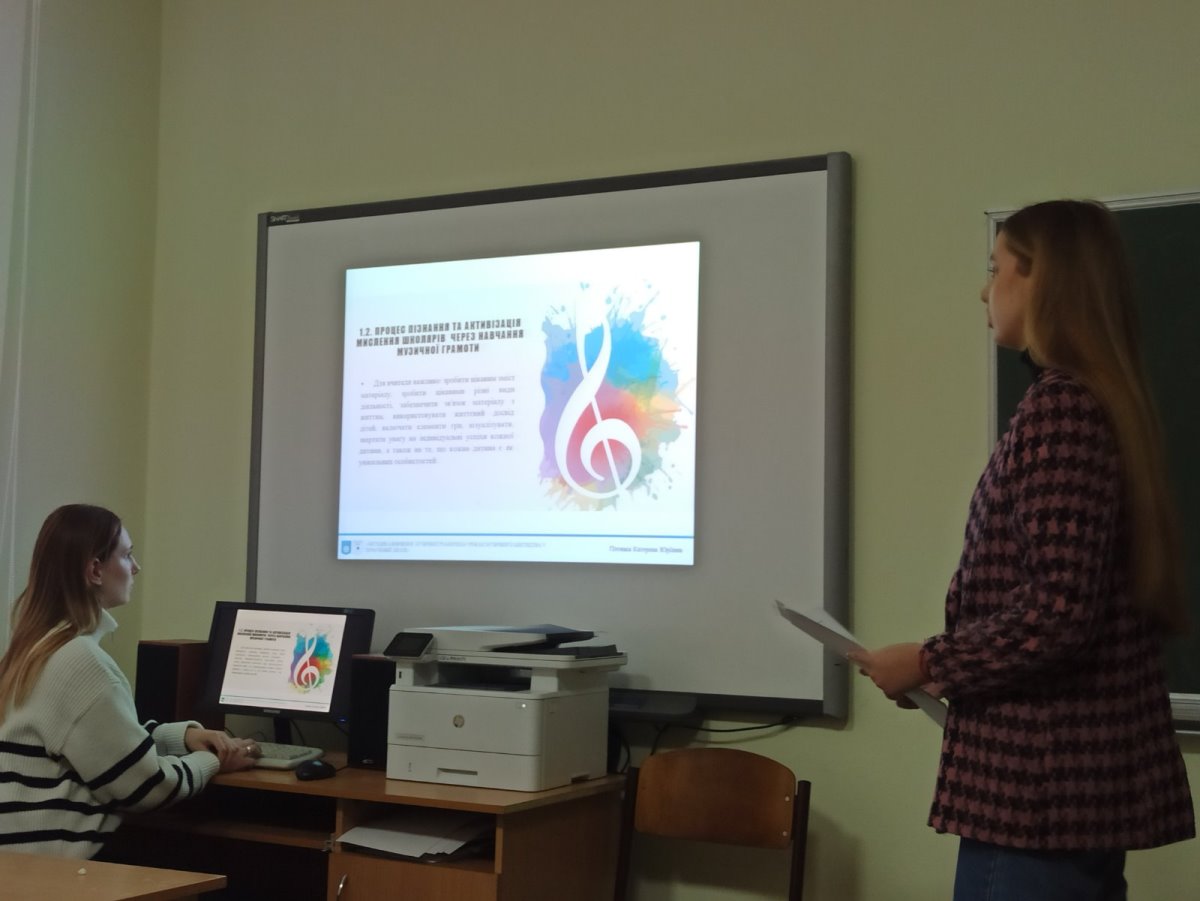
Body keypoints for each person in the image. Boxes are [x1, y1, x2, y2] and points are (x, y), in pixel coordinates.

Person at [849, 200, 1195, 900]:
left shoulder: (1062, 408)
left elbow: (1057, 611)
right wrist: (941, 674)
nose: (985, 290)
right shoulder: (1094, 401)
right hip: (1064, 792)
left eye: (996, 268)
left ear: (1043, 279)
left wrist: (930, 660)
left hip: (1039, 797)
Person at [0, 504, 262, 858]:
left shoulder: (33, 649)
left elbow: (99, 742)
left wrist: (181, 737)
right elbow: (148, 788)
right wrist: (214, 762)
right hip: (60, 870)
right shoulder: (78, 661)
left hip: (21, 865)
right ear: (95, 570)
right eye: (127, 555)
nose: (135, 567)